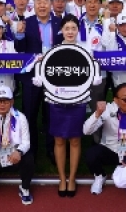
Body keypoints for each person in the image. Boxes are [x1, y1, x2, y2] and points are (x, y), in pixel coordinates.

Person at [33, 14, 93, 197]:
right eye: (67, 28)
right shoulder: (54, 51)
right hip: (57, 101)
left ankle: (72, 178)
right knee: (59, 139)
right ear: (61, 30)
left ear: (78, 30)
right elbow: (47, 73)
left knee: (75, 139)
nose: (70, 32)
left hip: (78, 101)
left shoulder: (86, 51)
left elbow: (90, 75)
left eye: (73, 28)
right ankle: (61, 178)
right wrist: (40, 72)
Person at [14, 0, 63, 161]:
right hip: (31, 77)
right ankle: (31, 149)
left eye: (45, 2)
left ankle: (51, 148)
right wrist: (20, 35)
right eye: (39, 2)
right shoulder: (25, 23)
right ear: (33, 5)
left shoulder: (60, 23)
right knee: (30, 114)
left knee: (52, 114)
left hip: (54, 77)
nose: (42, 6)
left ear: (51, 4)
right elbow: (19, 50)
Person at [83, 83, 126, 195]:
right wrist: (97, 114)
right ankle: (100, 176)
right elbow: (86, 131)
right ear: (115, 100)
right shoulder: (107, 109)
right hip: (110, 149)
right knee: (90, 154)